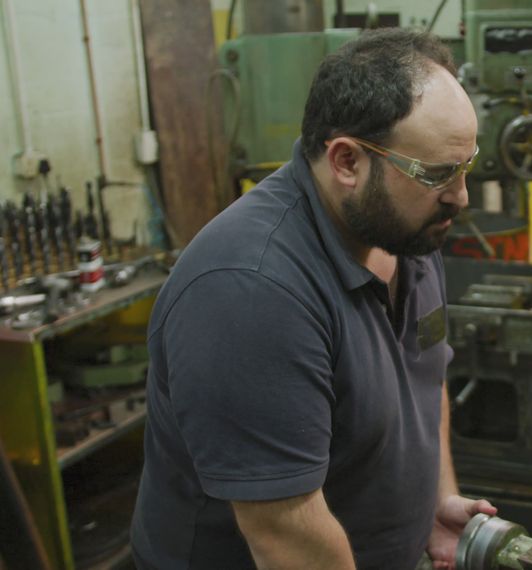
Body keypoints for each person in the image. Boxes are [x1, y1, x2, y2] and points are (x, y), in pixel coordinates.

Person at [131, 28, 495, 569]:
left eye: (466, 165)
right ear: (347, 161)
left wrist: (434, 502)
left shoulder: (406, 232)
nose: (460, 196)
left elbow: (426, 379)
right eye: (438, 173)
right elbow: (286, 538)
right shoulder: (249, 292)